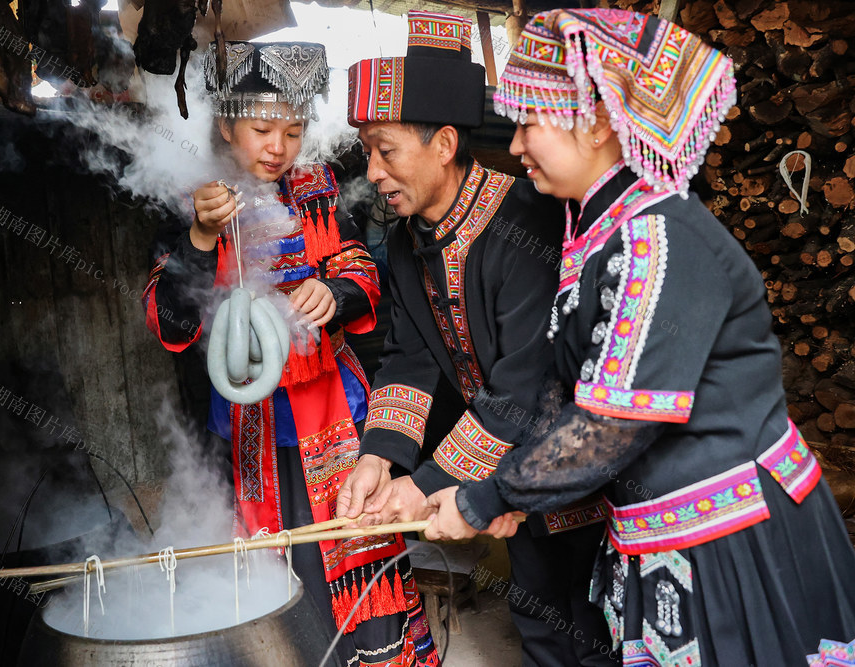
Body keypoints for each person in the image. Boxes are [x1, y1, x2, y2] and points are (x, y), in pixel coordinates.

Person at [423, 9, 855, 666]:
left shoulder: (659, 239)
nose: (514, 146)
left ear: (597, 121)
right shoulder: (595, 236)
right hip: (668, 539)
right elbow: (559, 392)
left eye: (530, 123)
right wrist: (508, 494)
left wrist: (491, 495)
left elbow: (615, 418)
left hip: (734, 542)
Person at [142, 40, 439, 666]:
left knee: (349, 539)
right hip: (252, 422)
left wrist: (334, 291)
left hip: (331, 405)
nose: (279, 147)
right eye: (262, 129)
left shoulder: (316, 186)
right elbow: (170, 321)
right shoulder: (196, 195)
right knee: (278, 555)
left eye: (294, 131)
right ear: (226, 126)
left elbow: (360, 266)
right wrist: (200, 236)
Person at [339, 11, 616, 666]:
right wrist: (379, 459)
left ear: (441, 145)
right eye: (367, 153)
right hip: (506, 468)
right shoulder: (408, 243)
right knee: (539, 614)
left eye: (387, 149)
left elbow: (525, 382)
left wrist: (429, 481)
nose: (373, 171)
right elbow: (409, 355)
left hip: (578, 461)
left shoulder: (523, 218)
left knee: (599, 623)